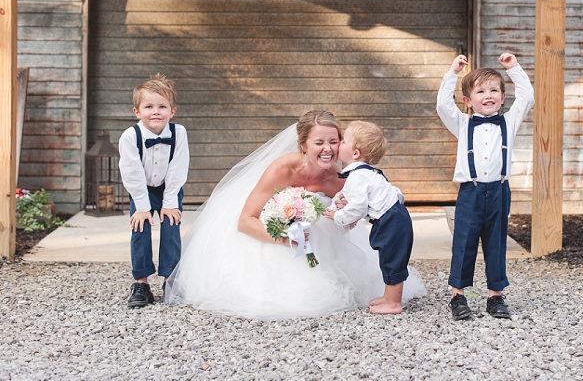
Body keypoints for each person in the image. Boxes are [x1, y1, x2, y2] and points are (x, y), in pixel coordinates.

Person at [165, 110, 426, 320]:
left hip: (314, 234)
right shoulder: (283, 169)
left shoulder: (340, 178)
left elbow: (358, 208)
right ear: (303, 145)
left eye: (335, 142)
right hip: (267, 229)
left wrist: (345, 212)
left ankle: (388, 294)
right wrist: (284, 238)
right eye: (319, 142)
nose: (328, 149)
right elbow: (245, 221)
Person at [436, 53, 534, 320]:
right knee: (464, 242)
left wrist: (513, 68)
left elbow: (526, 97)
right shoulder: (463, 123)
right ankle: (458, 296)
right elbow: (443, 105)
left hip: (499, 190)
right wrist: (452, 73)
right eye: (480, 91)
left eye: (494, 90)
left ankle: (495, 296)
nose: (488, 95)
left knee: (496, 242)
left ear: (503, 97)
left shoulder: (509, 122)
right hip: (471, 191)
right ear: (468, 101)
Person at [324, 121, 414, 315]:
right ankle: (389, 296)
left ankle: (394, 303)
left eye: (343, 140)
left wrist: (338, 216)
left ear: (355, 153)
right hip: (394, 216)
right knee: (388, 257)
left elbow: (357, 207)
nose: (339, 143)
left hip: (390, 220)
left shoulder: (358, 177)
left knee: (392, 259)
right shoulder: (365, 173)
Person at [118, 74, 190, 308]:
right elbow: (132, 172)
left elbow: (178, 168)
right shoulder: (130, 136)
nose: (156, 112)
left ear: (173, 110)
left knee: (171, 228)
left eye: (162, 106)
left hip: (169, 188)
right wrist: (141, 206)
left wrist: (170, 202)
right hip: (141, 189)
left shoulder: (179, 133)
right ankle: (141, 284)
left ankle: (170, 280)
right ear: (137, 112)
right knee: (140, 230)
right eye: (149, 106)